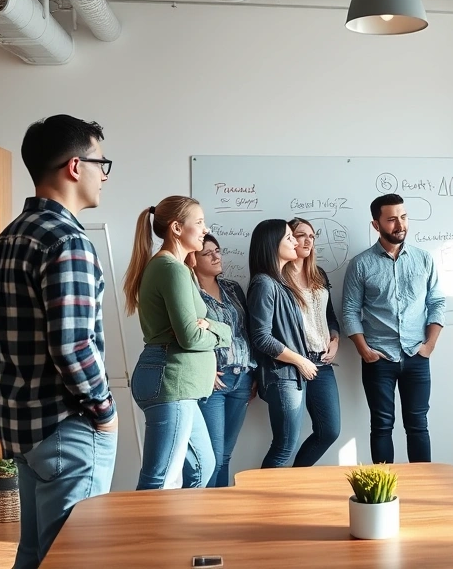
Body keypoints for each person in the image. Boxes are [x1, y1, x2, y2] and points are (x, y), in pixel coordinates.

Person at [0, 114, 117, 569]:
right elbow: (74, 346)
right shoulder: (67, 241)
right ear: (75, 166)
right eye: (102, 163)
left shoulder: (5, 240)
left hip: (22, 429)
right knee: (74, 557)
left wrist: (16, 392)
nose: (105, 175)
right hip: (69, 427)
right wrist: (105, 412)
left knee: (36, 553)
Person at [122, 195, 231, 490]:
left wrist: (212, 326)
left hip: (177, 386)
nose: (205, 229)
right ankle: (146, 536)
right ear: (176, 228)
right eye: (199, 222)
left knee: (204, 464)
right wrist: (224, 332)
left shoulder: (175, 268)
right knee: (160, 478)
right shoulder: (171, 269)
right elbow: (191, 335)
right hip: (171, 382)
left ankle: (178, 533)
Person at [342, 194, 446, 464]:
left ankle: (424, 490)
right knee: (381, 426)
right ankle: (384, 493)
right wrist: (363, 350)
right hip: (379, 358)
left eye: (403, 217)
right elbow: (350, 310)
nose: (399, 224)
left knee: (418, 425)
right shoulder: (361, 264)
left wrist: (430, 345)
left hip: (416, 356)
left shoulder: (424, 259)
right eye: (391, 219)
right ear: (376, 225)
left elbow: (436, 302)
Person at [247, 219, 338, 467]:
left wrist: (334, 338)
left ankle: (293, 483)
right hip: (289, 369)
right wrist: (300, 360)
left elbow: (327, 315)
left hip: (318, 363)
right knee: (285, 445)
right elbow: (261, 337)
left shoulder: (307, 276)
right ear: (274, 243)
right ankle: (266, 500)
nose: (303, 241)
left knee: (327, 432)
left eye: (312, 236)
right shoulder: (270, 282)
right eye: (293, 236)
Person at [184, 233, 256, 488]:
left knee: (225, 455)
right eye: (208, 253)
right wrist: (205, 368)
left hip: (242, 378)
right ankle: (200, 512)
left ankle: (219, 513)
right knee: (209, 457)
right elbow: (188, 334)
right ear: (193, 259)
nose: (216, 256)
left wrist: (253, 373)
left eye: (218, 251)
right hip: (212, 383)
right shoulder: (190, 293)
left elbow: (246, 330)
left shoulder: (232, 287)